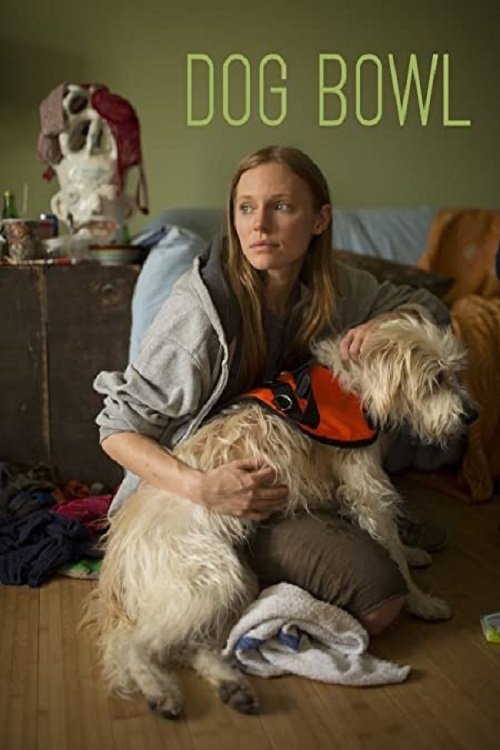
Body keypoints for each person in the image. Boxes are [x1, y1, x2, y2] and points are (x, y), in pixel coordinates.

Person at [94, 145, 453, 637]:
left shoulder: (334, 287)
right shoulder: (199, 311)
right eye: (246, 208)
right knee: (379, 598)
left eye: (281, 207)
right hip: (196, 506)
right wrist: (203, 488)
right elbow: (116, 429)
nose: (259, 225)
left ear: (320, 219)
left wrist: (385, 322)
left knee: (385, 588)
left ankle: (273, 578)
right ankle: (218, 588)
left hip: (288, 488)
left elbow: (428, 306)